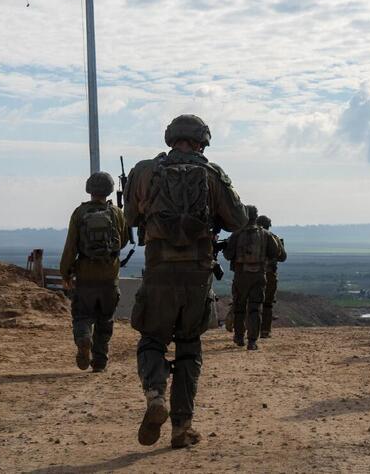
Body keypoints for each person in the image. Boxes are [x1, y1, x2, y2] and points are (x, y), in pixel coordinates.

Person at [123, 114, 248, 449]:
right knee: (190, 345)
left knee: (152, 339)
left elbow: (130, 219)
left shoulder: (144, 171)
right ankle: (181, 428)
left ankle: (155, 396)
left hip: (159, 270)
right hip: (197, 274)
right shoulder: (212, 174)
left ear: (171, 138)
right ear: (201, 141)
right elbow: (238, 219)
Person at [59, 171, 129, 373]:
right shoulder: (116, 213)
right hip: (109, 276)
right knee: (105, 319)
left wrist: (66, 273)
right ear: (108, 191)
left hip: (86, 276)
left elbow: (71, 246)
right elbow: (122, 241)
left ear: (89, 189)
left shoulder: (79, 213)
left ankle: (83, 338)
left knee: (82, 316)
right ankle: (99, 361)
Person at [224, 206, 281, 350]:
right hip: (258, 275)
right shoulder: (266, 234)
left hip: (241, 275)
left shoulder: (237, 234)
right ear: (256, 217)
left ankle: (238, 337)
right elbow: (276, 253)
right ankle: (252, 341)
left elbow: (228, 255)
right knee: (255, 308)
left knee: (239, 307)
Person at [256, 214, 287, 338]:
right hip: (269, 275)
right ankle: (265, 331)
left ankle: (249, 330)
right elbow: (283, 257)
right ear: (268, 226)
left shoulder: (245, 236)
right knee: (267, 303)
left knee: (252, 302)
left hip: (250, 274)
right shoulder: (274, 238)